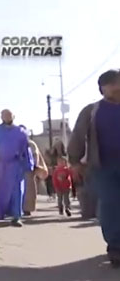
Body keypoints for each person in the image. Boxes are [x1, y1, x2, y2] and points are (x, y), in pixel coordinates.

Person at [68, 69, 120, 267]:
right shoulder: (92, 110)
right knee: (111, 204)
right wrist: (74, 162)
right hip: (102, 167)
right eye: (111, 83)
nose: (116, 86)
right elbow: (77, 137)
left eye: (118, 82)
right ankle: (116, 247)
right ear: (102, 89)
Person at [0, 109, 33, 227]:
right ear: (1, 117)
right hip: (0, 166)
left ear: (13, 117)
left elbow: (26, 149)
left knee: (16, 191)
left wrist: (28, 165)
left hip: (16, 166)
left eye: (9, 115)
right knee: (0, 191)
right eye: (4, 115)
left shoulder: (20, 132)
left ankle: (16, 216)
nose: (7, 117)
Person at [20, 126, 48, 217]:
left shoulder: (31, 144)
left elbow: (35, 155)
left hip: (29, 169)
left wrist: (35, 165)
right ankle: (17, 208)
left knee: (29, 190)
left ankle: (27, 208)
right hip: (17, 169)